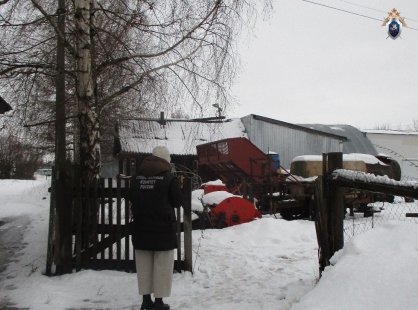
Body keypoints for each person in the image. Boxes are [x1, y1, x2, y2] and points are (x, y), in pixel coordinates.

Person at [129, 146, 183, 310]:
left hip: (141, 228)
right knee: (162, 266)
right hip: (163, 230)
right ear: (166, 160)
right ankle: (158, 302)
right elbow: (177, 201)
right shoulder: (169, 178)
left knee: (144, 265)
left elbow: (131, 197)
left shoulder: (137, 178)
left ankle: (146, 300)